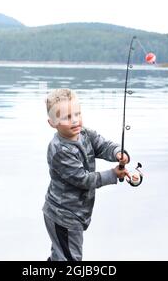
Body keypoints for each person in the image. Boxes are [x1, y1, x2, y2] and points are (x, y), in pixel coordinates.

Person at [43, 88, 130, 261]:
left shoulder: (84, 134)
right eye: (67, 117)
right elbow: (82, 179)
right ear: (52, 122)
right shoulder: (60, 150)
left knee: (60, 256)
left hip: (76, 212)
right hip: (63, 215)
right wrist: (112, 174)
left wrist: (117, 153)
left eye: (77, 114)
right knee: (70, 259)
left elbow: (102, 145)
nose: (75, 120)